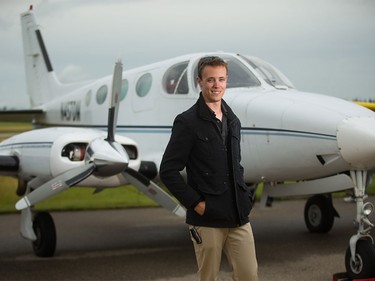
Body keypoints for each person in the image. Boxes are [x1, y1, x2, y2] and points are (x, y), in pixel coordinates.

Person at [160, 56, 258, 281]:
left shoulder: (233, 120)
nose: (217, 85)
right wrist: (196, 204)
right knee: (209, 278)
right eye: (211, 80)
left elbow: (236, 164)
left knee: (249, 275)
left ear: (226, 81)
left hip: (238, 216)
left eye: (221, 79)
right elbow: (168, 170)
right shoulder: (187, 122)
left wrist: (245, 196)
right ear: (200, 82)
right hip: (207, 217)